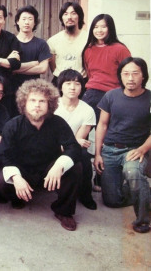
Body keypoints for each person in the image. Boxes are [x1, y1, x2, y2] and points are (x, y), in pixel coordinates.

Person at [0, 79, 82, 231]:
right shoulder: (13, 125)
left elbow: (73, 147)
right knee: (1, 181)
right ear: (24, 103)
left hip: (49, 171)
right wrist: (16, 178)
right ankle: (18, 197)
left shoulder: (58, 123)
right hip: (22, 170)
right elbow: (4, 155)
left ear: (50, 104)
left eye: (42, 101)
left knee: (75, 167)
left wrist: (59, 166)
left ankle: (64, 211)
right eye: (33, 100)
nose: (37, 105)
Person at [94, 57, 150, 234]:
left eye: (135, 73)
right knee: (111, 200)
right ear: (120, 76)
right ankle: (143, 192)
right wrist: (98, 154)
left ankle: (143, 220)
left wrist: (142, 149)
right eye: (126, 74)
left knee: (133, 172)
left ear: (143, 76)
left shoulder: (149, 98)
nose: (130, 78)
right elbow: (102, 125)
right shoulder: (111, 96)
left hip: (135, 150)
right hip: (110, 149)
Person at [55, 69, 97, 210]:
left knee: (84, 157)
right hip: (51, 145)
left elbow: (80, 138)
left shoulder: (87, 110)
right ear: (60, 86)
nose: (72, 87)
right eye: (68, 83)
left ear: (82, 87)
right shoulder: (52, 105)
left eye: (77, 84)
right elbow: (46, 134)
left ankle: (85, 195)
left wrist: (72, 143)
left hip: (73, 147)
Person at [81, 14, 131, 121]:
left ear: (110, 28)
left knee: (106, 131)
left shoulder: (120, 49)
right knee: (82, 128)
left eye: (103, 27)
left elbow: (128, 73)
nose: (99, 30)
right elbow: (89, 73)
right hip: (91, 93)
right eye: (96, 27)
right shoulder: (88, 49)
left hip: (112, 94)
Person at [48, 2, 88, 84]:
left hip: (82, 82)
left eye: (73, 13)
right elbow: (53, 66)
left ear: (79, 16)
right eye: (65, 14)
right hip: (59, 82)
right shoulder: (53, 40)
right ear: (62, 18)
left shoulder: (88, 39)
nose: (69, 17)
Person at [12, 5, 51, 90]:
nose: (27, 22)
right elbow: (8, 68)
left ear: (35, 23)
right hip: (12, 89)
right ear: (18, 21)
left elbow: (42, 68)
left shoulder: (41, 44)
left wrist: (16, 69)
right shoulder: (10, 42)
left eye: (30, 19)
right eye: (24, 19)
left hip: (34, 89)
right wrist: (33, 63)